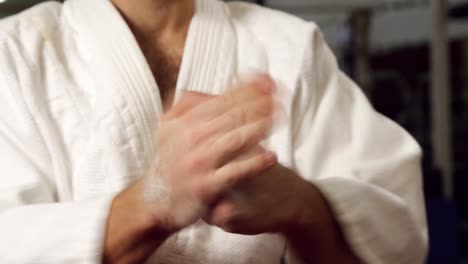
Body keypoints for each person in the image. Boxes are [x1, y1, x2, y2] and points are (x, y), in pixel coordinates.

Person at [0, 0, 427, 263]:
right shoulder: (14, 54)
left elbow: (399, 244)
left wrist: (301, 203)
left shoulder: (289, 47)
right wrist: (152, 205)